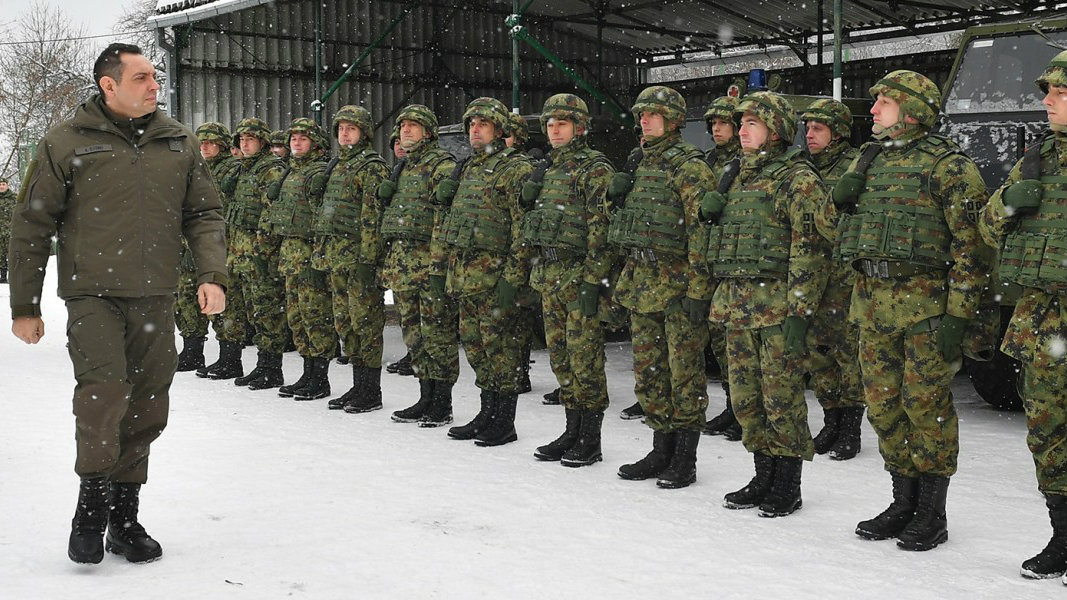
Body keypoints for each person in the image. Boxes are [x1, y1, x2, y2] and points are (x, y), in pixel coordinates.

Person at [7, 42, 227, 564]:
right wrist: (24, 305)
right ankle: (91, 506)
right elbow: (32, 224)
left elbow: (204, 213)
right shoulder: (66, 142)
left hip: (155, 295)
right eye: (142, 78)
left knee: (150, 403)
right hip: (93, 294)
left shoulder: (178, 142)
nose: (155, 86)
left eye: (155, 77)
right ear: (109, 85)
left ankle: (125, 517)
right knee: (104, 394)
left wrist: (212, 273)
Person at [829, 70, 992, 551]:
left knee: (927, 410)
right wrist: (837, 201)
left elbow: (973, 248)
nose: (874, 108)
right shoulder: (868, 160)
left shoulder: (949, 167)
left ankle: (931, 513)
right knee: (883, 407)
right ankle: (902, 501)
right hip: (872, 308)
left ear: (913, 109)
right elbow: (832, 229)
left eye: (884, 100)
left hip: (925, 313)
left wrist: (959, 316)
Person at [706, 91, 830, 516]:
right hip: (736, 307)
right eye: (740, 124)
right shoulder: (733, 176)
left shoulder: (798, 180)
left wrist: (799, 311)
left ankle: (787, 484)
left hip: (777, 310)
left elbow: (809, 250)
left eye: (751, 124)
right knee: (746, 399)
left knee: (782, 398)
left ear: (775, 131)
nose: (740, 131)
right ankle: (763, 474)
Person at [978, 51, 1067, 581]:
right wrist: (1009, 201)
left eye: (1059, 91)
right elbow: (989, 233)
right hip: (1042, 323)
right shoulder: (1036, 161)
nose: (1047, 100)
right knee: (1048, 433)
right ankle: (1063, 537)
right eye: (1047, 90)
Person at [608, 85, 714, 489]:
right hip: (642, 282)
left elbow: (702, 234)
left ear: (672, 121)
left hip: (677, 285)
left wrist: (697, 291)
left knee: (684, 373)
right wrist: (613, 199)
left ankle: (684, 458)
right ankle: (660, 447)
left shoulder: (690, 167)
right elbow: (625, 223)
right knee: (650, 372)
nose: (643, 121)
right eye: (641, 115)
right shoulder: (639, 164)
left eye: (651, 114)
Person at [521, 94, 615, 467]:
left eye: (561, 123)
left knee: (585, 359)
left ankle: (590, 439)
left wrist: (594, 282)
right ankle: (571, 429)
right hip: (551, 276)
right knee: (561, 358)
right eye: (549, 124)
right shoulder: (547, 169)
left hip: (578, 277)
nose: (554, 130)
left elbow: (601, 231)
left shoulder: (594, 169)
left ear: (580, 127)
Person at [438, 97, 533, 446]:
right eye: (471, 125)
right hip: (467, 277)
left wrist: (513, 278)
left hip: (496, 278)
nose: (474, 130)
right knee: (477, 348)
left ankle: (504, 421)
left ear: (498, 130)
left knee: (502, 350)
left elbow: (523, 229)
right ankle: (486, 412)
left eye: (482, 124)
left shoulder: (515, 169)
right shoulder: (468, 168)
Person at [378, 104, 460, 426]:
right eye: (403, 126)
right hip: (403, 267)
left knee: (437, 334)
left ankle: (443, 402)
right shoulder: (403, 168)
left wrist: (439, 270)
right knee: (414, 335)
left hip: (428, 267)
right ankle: (425, 396)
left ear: (428, 132)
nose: (406, 131)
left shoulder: (441, 166)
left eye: (414, 126)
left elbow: (443, 221)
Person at [311, 105, 389, 413]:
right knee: (346, 325)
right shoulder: (337, 166)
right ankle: (358, 386)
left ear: (364, 133)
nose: (345, 133)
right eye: (341, 128)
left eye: (351, 129)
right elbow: (325, 218)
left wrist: (368, 261)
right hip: (336, 260)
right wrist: (320, 259)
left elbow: (373, 217)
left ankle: (371, 390)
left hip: (357, 261)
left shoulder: (372, 167)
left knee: (365, 324)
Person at [800, 98, 866, 460]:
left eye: (818, 128)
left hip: (843, 277)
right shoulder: (802, 168)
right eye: (807, 128)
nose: (810, 135)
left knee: (847, 353)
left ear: (838, 133)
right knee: (817, 353)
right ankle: (831, 420)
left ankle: (850, 429)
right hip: (812, 275)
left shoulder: (855, 167)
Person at [261, 118, 334, 400]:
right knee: (297, 317)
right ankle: (307, 373)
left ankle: (320, 378)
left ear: (315, 143)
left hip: (310, 255)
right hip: (290, 255)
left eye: (303, 139)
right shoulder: (290, 172)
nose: (296, 143)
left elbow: (325, 218)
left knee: (316, 316)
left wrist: (319, 257)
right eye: (294, 138)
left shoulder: (319, 173)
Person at [227, 117, 289, 390]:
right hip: (243, 254)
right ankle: (262, 365)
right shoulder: (245, 170)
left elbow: (271, 216)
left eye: (250, 139)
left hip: (261, 256)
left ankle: (271, 368)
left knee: (267, 312)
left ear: (262, 142)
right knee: (254, 312)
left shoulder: (270, 170)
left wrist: (262, 253)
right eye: (241, 140)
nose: (245, 144)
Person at [189, 122, 244, 379]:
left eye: (211, 142)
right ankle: (219, 355)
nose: (205, 147)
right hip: (208, 244)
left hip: (227, 244)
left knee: (227, 304)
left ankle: (231, 359)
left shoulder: (232, 169)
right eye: (202, 142)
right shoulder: (201, 169)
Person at [701, 95, 742, 440]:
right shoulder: (708, 162)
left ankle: (741, 410)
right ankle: (732, 406)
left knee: (737, 344)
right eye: (712, 123)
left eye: (723, 123)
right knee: (719, 340)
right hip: (710, 259)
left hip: (735, 261)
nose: (716, 128)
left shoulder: (744, 164)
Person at [0, 176, 16, 284]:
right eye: (0, 184)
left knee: (12, 254)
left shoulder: (14, 198)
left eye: (3, 184)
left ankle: (14, 276)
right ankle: (3, 277)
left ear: (7, 185)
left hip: (11, 231)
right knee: (0, 255)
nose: (1, 186)